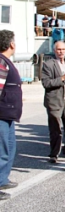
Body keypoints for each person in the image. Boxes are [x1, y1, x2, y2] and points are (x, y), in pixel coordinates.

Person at [41, 41, 65, 163]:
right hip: (55, 101)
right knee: (56, 129)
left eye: (63, 49)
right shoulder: (48, 64)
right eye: (58, 49)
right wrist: (62, 78)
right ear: (54, 51)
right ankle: (54, 153)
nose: (61, 51)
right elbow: (46, 83)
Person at [0, 30, 23, 201]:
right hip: (2, 114)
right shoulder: (2, 62)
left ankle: (2, 179)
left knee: (9, 148)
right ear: (11, 44)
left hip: (8, 114)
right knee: (1, 151)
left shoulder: (6, 61)